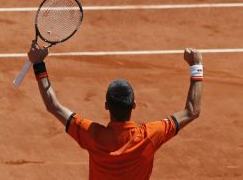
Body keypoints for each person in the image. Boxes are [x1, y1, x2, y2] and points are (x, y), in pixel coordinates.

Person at [28, 40, 203, 180]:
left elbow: (53, 105)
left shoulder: (92, 134)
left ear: (106, 106)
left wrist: (38, 64)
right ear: (134, 105)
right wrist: (196, 65)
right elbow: (192, 111)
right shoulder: (150, 135)